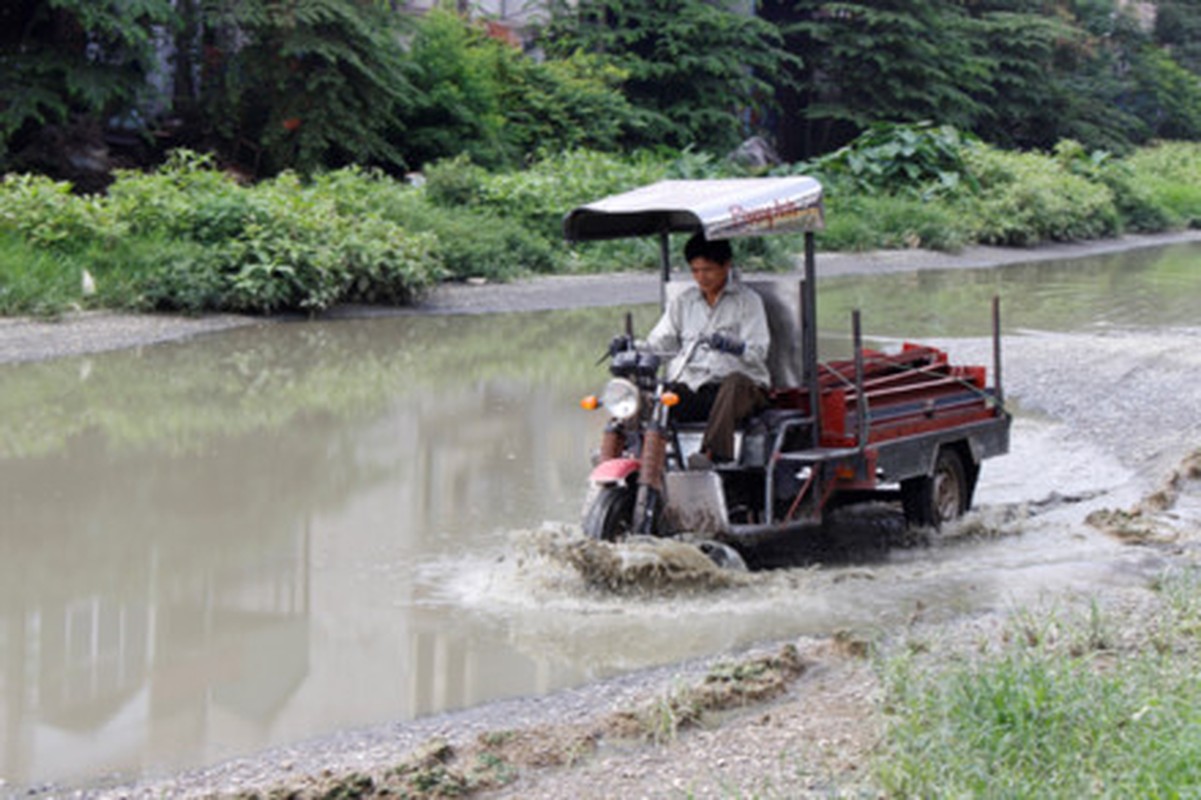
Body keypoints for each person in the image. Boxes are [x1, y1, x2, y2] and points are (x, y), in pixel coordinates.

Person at [644, 232, 771, 468]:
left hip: (741, 390)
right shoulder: (684, 302)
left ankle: (710, 456)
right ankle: (643, 455)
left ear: (726, 265)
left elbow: (758, 351)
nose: (701, 277)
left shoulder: (748, 301)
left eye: (708, 269)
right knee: (653, 395)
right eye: (695, 270)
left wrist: (734, 346)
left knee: (734, 383)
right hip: (696, 388)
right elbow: (662, 341)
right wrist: (638, 350)